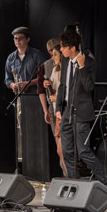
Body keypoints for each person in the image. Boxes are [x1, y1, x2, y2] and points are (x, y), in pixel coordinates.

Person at [54, 30, 107, 188]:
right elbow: (62, 86)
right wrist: (58, 107)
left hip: (82, 112)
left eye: (63, 47)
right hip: (67, 111)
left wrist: (82, 67)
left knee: (83, 151)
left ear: (72, 48)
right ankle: (74, 183)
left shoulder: (89, 63)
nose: (61, 50)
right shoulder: (65, 62)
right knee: (67, 151)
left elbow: (88, 87)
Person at [41, 42, 66, 175]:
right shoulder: (54, 69)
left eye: (55, 54)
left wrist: (59, 98)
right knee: (60, 149)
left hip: (65, 111)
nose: (52, 57)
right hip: (56, 111)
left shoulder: (68, 71)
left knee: (63, 149)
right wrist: (47, 85)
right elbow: (53, 88)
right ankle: (67, 176)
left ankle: (71, 178)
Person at [5, 27, 46, 94]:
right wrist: (13, 85)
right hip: (18, 97)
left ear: (28, 39)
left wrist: (28, 84)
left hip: (35, 96)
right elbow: (7, 79)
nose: (17, 41)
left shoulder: (37, 55)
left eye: (20, 38)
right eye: (15, 38)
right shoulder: (10, 58)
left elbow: (45, 76)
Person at [38, 38, 60, 125]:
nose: (52, 53)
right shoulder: (45, 66)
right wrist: (45, 110)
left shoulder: (69, 64)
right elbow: (41, 90)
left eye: (54, 51)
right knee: (57, 135)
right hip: (52, 105)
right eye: (51, 51)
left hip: (65, 105)